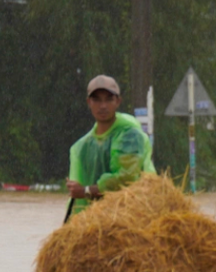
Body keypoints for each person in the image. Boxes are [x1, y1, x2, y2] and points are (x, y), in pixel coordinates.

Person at [66, 75, 155, 215]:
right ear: (89, 102)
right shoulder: (82, 147)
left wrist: (86, 191)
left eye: (109, 99)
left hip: (132, 217)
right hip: (95, 222)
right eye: (97, 99)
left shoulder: (130, 136)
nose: (103, 106)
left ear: (118, 101)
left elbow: (126, 180)